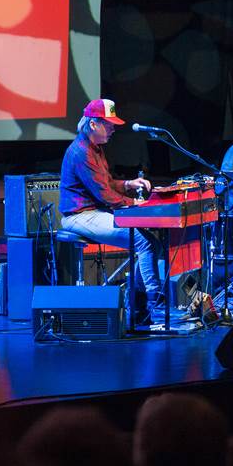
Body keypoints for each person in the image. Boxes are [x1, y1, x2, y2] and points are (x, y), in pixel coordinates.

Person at [59, 99, 161, 319]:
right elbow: (103, 194)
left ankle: (138, 304)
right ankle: (154, 302)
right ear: (93, 124)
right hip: (79, 216)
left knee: (152, 243)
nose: (113, 129)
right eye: (109, 124)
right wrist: (135, 204)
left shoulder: (95, 148)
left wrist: (128, 184)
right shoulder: (81, 152)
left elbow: (106, 183)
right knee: (144, 242)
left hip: (92, 212)